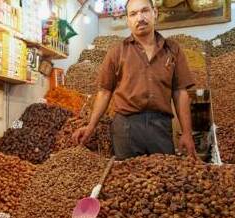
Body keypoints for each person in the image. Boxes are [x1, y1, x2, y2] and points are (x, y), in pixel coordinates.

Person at [72, 0, 197, 160]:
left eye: (144, 11)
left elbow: (180, 92)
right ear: (128, 20)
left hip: (160, 126)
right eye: (133, 14)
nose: (140, 18)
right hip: (126, 127)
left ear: (155, 13)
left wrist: (187, 133)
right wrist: (91, 126)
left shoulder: (173, 50)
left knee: (164, 172)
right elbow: (104, 92)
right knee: (126, 173)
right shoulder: (116, 52)